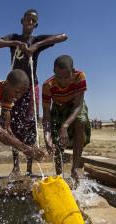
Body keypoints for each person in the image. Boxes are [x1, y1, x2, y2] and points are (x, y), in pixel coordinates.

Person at [0, 9, 68, 177]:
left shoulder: (36, 40)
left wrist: (36, 46)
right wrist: (13, 44)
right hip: (13, 88)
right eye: (27, 19)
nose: (30, 22)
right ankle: (16, 166)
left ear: (35, 24)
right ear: (22, 21)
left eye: (33, 20)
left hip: (31, 87)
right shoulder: (13, 37)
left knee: (30, 123)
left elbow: (63, 36)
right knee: (12, 123)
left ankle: (30, 167)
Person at [42, 55, 91, 184]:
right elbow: (46, 115)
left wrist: (65, 126)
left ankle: (75, 168)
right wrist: (47, 137)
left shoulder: (80, 76)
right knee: (56, 140)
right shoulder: (48, 85)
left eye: (67, 77)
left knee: (81, 121)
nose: (63, 81)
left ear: (73, 71)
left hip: (74, 106)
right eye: (59, 77)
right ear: (54, 72)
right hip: (58, 109)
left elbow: (78, 105)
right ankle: (59, 175)